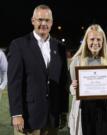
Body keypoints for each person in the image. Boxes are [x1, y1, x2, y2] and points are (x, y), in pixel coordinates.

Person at [7, 4, 69, 135]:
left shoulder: (60, 47)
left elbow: (63, 82)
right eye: (40, 19)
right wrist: (16, 114)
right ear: (33, 21)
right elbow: (14, 84)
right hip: (28, 118)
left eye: (47, 20)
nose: (43, 23)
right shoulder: (19, 45)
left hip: (52, 118)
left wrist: (63, 111)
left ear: (52, 23)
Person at [68, 24, 107, 135]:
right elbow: (72, 88)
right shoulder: (76, 61)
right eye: (92, 39)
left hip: (104, 109)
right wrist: (73, 87)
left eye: (98, 39)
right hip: (84, 109)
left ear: (103, 41)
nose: (95, 42)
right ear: (86, 41)